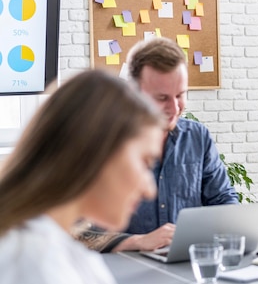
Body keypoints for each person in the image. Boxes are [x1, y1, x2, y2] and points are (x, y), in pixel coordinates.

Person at [0, 70, 164, 284]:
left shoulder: (47, 248)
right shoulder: (41, 277)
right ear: (97, 151)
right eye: (144, 162)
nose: (150, 189)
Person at [74, 37, 239, 253]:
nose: (174, 107)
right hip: (124, 270)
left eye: (180, 95)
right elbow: (77, 231)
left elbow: (222, 199)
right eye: (162, 98)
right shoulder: (101, 144)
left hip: (186, 267)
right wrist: (138, 241)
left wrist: (234, 230)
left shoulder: (197, 136)